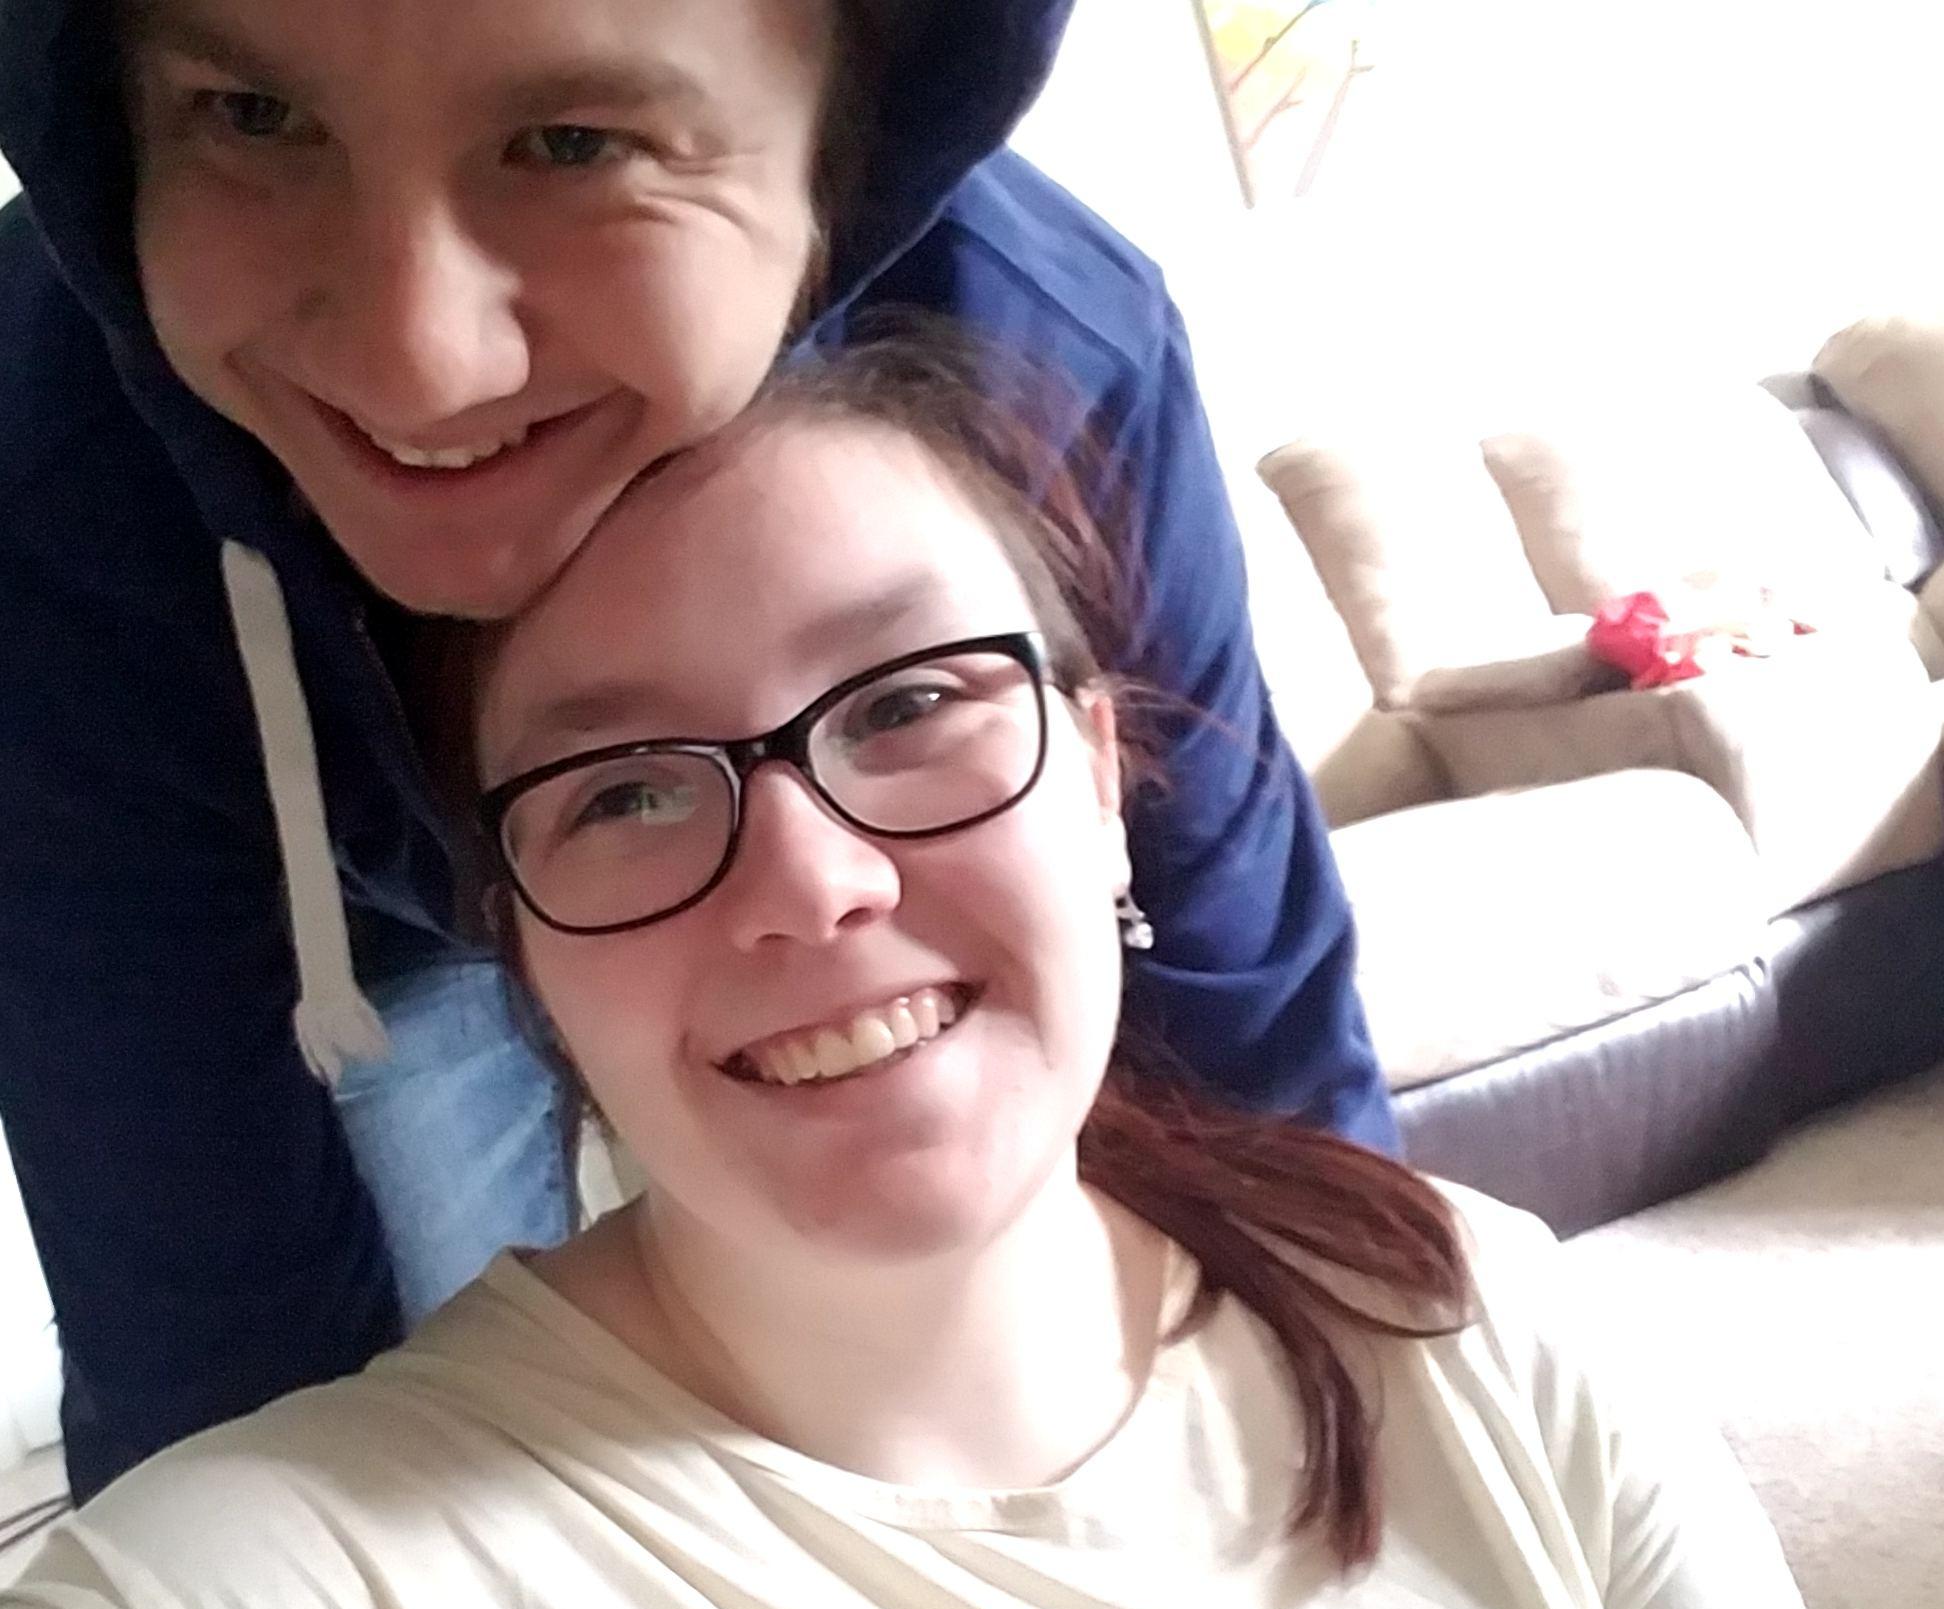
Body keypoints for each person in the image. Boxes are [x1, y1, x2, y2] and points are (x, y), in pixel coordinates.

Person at [1, 351, 1934, 1609]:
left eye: (912, 701)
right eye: (627, 790)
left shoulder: (1474, 1317)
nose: (813, 885)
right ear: (523, 956)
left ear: (1100, 777)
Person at [0, 0, 1393, 1505]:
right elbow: (191, 1311)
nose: (422, 367)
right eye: (255, 116)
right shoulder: (40, 474)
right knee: (424, 1472)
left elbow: (1259, 1051)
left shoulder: (1056, 341)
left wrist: (1394, 1425)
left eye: (571, 143)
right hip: (337, 929)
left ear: (839, 129)